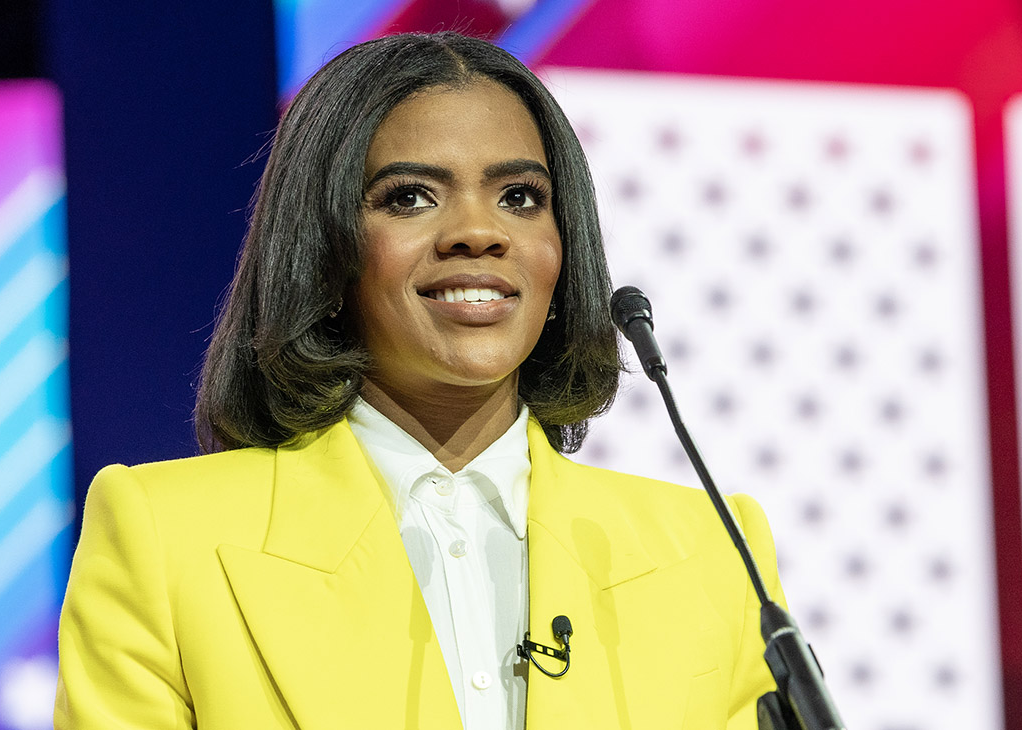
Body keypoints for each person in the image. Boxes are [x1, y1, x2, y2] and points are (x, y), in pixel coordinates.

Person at [54, 31, 785, 729]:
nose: (479, 232)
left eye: (519, 197)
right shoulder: (166, 535)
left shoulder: (711, 550)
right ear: (324, 250)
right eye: (410, 197)